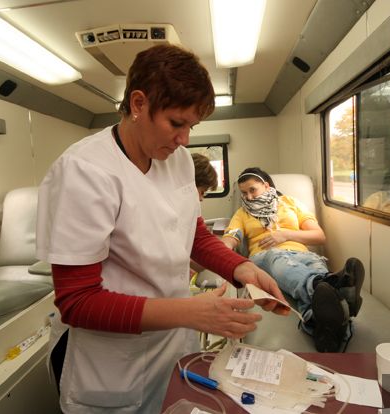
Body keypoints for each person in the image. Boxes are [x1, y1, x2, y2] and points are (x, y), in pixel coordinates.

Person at [36, 45, 288, 413]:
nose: (184, 139)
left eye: (191, 127)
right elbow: (78, 302)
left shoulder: (178, 161)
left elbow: (193, 235)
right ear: (138, 104)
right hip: (111, 363)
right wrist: (191, 312)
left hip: (171, 347)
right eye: (176, 123)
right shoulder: (84, 171)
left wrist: (241, 268)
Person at [221, 167, 365, 352]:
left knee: (317, 270)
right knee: (277, 257)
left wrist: (285, 235)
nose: (248, 197)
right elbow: (231, 237)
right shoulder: (242, 213)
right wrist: (222, 251)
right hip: (265, 257)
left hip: (304, 255)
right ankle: (326, 287)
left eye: (252, 190)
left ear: (266, 186)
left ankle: (322, 327)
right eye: (244, 193)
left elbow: (319, 236)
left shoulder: (290, 203)